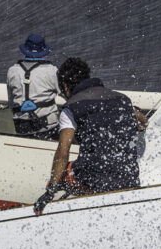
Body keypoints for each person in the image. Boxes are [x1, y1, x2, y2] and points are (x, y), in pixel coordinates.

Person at [34, 57, 147, 214]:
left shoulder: (71, 107)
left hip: (94, 179)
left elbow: (63, 151)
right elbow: (142, 121)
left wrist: (50, 190)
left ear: (65, 86)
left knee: (65, 173)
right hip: (128, 177)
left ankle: (49, 208)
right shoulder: (122, 100)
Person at [6, 33, 59, 140]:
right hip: (47, 126)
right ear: (43, 51)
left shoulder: (12, 71)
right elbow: (65, 93)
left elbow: (11, 102)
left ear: (25, 49)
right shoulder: (52, 71)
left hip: (21, 126)